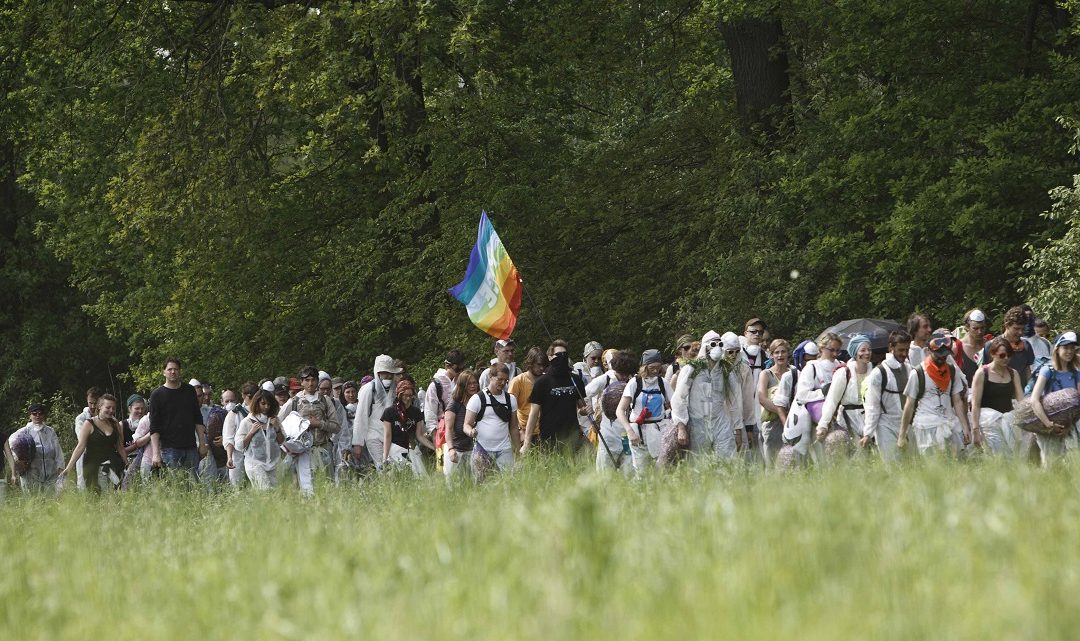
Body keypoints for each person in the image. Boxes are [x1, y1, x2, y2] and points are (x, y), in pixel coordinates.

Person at [670, 331, 743, 461]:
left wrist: (737, 429)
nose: (717, 347)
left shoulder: (726, 371)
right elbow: (678, 398)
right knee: (698, 463)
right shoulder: (691, 369)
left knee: (728, 461)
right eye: (713, 344)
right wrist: (681, 427)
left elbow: (734, 402)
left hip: (720, 422)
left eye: (720, 344)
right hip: (698, 424)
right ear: (705, 347)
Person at [898, 331, 972, 457]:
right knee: (934, 469)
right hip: (926, 427)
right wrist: (902, 435)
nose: (942, 359)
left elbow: (957, 401)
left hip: (950, 424)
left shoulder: (952, 371)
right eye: (938, 355)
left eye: (945, 356)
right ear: (928, 351)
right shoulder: (918, 373)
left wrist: (965, 427)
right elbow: (909, 405)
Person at [279, 365, 341, 493]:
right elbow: (278, 423)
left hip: (323, 449)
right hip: (302, 452)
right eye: (306, 380)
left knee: (327, 487)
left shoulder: (326, 401)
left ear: (317, 381)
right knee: (305, 489)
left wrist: (319, 424)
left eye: (313, 380)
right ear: (301, 382)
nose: (310, 383)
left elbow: (336, 427)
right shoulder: (294, 402)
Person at [521, 340, 587, 455]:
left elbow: (582, 409)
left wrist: (586, 410)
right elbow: (534, 413)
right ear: (550, 357)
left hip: (572, 435)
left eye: (564, 355)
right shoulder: (542, 382)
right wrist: (527, 442)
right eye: (558, 355)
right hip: (549, 438)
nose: (562, 358)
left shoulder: (575, 379)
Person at [618, 349, 675, 474]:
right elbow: (620, 410)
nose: (655, 371)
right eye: (652, 367)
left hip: (659, 430)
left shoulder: (662, 383)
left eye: (658, 367)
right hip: (638, 432)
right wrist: (630, 431)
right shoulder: (635, 383)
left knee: (662, 471)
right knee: (641, 472)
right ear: (644, 367)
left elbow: (675, 405)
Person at [1028, 331, 1080, 465]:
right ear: (1057, 349)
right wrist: (1048, 424)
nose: (1069, 351)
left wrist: (1070, 425)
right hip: (1049, 425)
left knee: (1072, 464)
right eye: (1065, 347)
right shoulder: (1047, 371)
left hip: (1071, 426)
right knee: (1051, 465)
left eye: (1072, 348)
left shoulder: (1076, 373)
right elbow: (1034, 399)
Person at [149, 358, 207, 478]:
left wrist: (202, 444)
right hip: (169, 449)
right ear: (163, 372)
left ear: (180, 371)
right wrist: (155, 453)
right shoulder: (157, 395)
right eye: (169, 369)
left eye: (176, 369)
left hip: (190, 447)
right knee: (175, 486)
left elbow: (197, 418)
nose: (173, 372)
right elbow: (154, 427)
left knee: (193, 485)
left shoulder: (189, 391)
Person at [862, 330, 913, 463]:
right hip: (886, 426)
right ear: (891, 347)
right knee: (892, 467)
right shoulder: (878, 373)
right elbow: (872, 406)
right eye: (901, 350)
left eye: (907, 350)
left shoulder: (909, 368)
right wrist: (868, 433)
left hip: (907, 425)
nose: (904, 354)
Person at [463, 363, 520, 481]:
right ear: (490, 377)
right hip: (482, 449)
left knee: (508, 484)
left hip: (505, 449)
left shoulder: (511, 400)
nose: (503, 383)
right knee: (483, 486)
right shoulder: (477, 399)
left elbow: (514, 428)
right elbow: (466, 424)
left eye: (506, 380)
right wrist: (471, 431)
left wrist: (517, 450)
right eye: (500, 379)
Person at [61, 393, 127, 491]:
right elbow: (80, 447)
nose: (111, 411)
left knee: (114, 494)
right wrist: (68, 468)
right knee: (96, 496)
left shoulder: (115, 424)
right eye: (108, 407)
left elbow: (120, 446)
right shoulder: (89, 423)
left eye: (113, 408)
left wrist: (127, 464)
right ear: (100, 407)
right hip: (93, 466)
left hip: (112, 465)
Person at [970, 336, 1025, 456]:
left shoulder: (1013, 373)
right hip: (987, 423)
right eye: (1002, 355)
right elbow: (975, 404)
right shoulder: (982, 373)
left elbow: (1021, 401)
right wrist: (975, 430)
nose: (1006, 358)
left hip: (1008, 421)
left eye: (1009, 355)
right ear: (993, 354)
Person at [586, 350, 637, 473]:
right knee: (605, 473)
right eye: (622, 373)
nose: (624, 377)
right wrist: (587, 408)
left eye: (627, 374)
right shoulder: (605, 379)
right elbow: (585, 392)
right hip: (608, 433)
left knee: (629, 473)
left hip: (629, 432)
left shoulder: (633, 381)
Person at [818, 334, 872, 444]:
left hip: (870, 420)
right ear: (855, 352)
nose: (867, 353)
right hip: (849, 420)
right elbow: (832, 400)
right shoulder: (843, 373)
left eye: (869, 350)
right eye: (863, 350)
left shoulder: (874, 373)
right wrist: (823, 425)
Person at [352, 355, 403, 472]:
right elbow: (361, 417)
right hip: (374, 435)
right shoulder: (368, 390)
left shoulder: (396, 390)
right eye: (385, 373)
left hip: (393, 435)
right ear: (378, 372)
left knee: (397, 467)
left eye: (390, 373)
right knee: (383, 468)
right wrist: (358, 443)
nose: (388, 376)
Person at [234, 389, 285, 489]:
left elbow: (281, 441)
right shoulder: (247, 422)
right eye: (263, 403)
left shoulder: (275, 420)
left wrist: (277, 428)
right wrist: (251, 432)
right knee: (265, 491)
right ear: (256, 403)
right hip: (255, 464)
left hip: (274, 464)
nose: (266, 407)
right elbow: (239, 445)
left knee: (276, 495)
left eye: (269, 404)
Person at [8, 404, 64, 492]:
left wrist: (61, 472)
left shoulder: (50, 432)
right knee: (33, 503)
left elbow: (58, 453)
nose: (37, 416)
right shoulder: (24, 432)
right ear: (30, 415)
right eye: (34, 413)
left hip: (50, 476)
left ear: (44, 415)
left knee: (50, 503)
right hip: (30, 476)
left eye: (40, 413)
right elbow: (10, 444)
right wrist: (18, 460)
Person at [380, 379, 430, 475]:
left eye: (410, 395)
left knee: (420, 476)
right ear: (400, 395)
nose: (408, 398)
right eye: (405, 395)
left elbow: (419, 436)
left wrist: (435, 447)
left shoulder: (416, 412)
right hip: (395, 449)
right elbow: (387, 436)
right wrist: (385, 458)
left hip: (412, 449)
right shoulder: (389, 412)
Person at [424, 349, 466, 457]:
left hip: (460, 426)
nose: (460, 371)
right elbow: (430, 412)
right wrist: (434, 435)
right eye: (457, 368)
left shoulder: (462, 382)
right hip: (442, 428)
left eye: (462, 368)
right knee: (443, 463)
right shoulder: (436, 385)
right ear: (448, 365)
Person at [982, 306, 1036, 389]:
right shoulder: (991, 345)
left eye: (1022, 329)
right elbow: (984, 372)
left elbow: (1028, 371)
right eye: (1016, 329)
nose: (1020, 332)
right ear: (1007, 325)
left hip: (1021, 394)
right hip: (998, 394)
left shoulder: (1026, 345)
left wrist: (1030, 390)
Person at [757, 339, 790, 468]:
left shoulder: (793, 372)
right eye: (776, 352)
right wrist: (782, 413)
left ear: (788, 353)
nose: (780, 355)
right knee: (772, 464)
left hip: (791, 423)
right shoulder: (766, 374)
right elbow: (762, 399)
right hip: (772, 424)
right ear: (771, 355)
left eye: (783, 352)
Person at [443, 370, 479, 481]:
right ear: (463, 386)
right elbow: (448, 429)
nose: (473, 386)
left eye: (474, 383)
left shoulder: (479, 401)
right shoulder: (454, 404)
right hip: (456, 449)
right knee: (454, 486)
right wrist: (451, 449)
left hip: (473, 449)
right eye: (469, 383)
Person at [508, 347, 546, 446]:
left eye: (543, 365)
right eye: (538, 364)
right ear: (530, 362)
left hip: (545, 431)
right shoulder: (518, 381)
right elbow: (509, 410)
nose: (541, 368)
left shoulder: (547, 380)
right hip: (524, 432)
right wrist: (519, 430)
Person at [223, 382, 256, 487]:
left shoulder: (263, 412)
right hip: (238, 456)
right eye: (249, 396)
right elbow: (229, 438)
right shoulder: (234, 413)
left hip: (257, 456)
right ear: (243, 396)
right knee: (238, 488)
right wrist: (229, 457)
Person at [72, 386, 100, 489]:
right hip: (85, 454)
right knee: (84, 484)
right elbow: (82, 438)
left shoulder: (108, 417)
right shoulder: (81, 418)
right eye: (90, 403)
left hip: (103, 456)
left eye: (95, 403)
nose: (92, 406)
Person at [954, 309, 989, 386]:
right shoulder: (957, 347)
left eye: (982, 328)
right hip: (965, 395)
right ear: (967, 327)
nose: (979, 332)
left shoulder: (989, 346)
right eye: (975, 328)